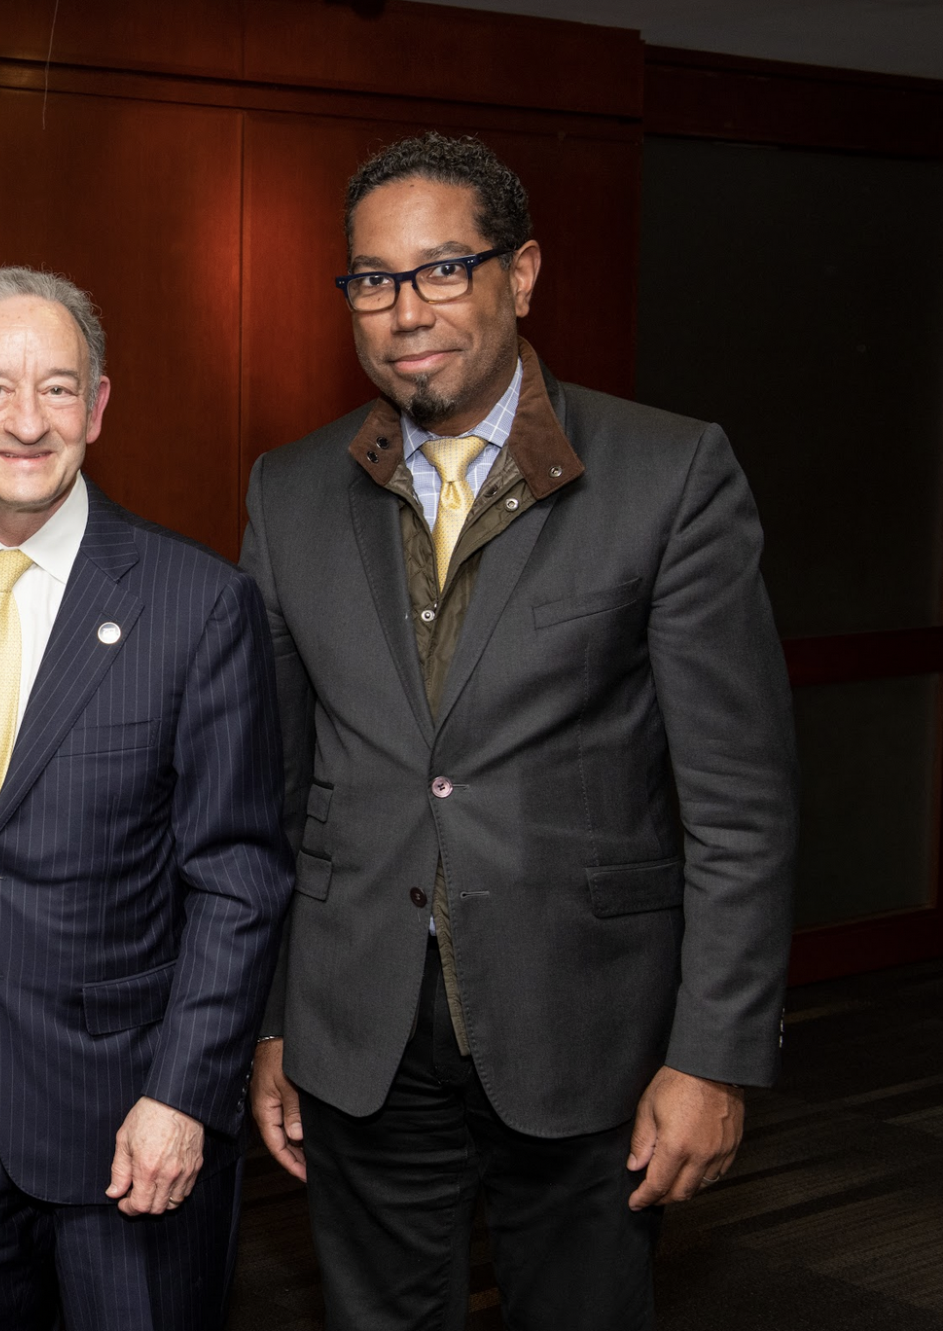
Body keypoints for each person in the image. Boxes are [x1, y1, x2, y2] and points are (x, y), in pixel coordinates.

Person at [241, 133, 796, 1329]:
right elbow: (279, 792)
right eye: (373, 280)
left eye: (443, 269)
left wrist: (712, 1053)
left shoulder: (667, 472)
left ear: (521, 273)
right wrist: (279, 1015)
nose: (404, 311)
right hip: (361, 1031)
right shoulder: (285, 494)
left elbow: (738, 803)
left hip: (587, 1027)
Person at [0, 268, 292, 1330]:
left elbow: (237, 878)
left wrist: (183, 1093)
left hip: (126, 1121)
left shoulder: (197, 603)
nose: (24, 420)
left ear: (96, 409)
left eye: (57, 389)